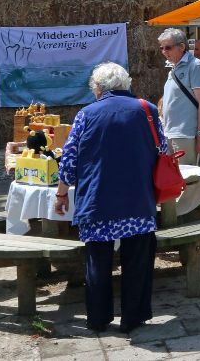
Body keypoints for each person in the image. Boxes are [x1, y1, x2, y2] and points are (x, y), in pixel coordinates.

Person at [53, 63, 164, 333]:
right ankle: (132, 318)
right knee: (137, 260)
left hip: (97, 198)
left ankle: (99, 319)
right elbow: (163, 146)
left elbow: (69, 157)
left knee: (98, 263)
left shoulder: (86, 114)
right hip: (137, 198)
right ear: (125, 83)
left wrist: (62, 192)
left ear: (98, 88)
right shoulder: (147, 109)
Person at [158, 28, 200, 165]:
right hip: (170, 132)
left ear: (181, 46)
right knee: (174, 180)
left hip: (185, 134)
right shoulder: (174, 68)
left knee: (188, 180)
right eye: (162, 48)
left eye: (168, 47)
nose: (164, 52)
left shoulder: (195, 66)